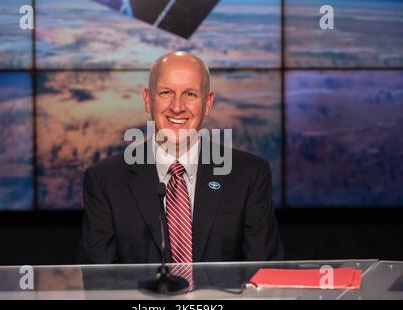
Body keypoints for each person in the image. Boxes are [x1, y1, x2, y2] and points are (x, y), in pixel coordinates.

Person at [77, 51, 283, 265]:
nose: (177, 107)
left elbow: (264, 274)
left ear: (208, 103)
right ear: (148, 100)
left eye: (190, 94)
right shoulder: (105, 180)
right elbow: (98, 283)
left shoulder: (249, 174)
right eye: (166, 92)